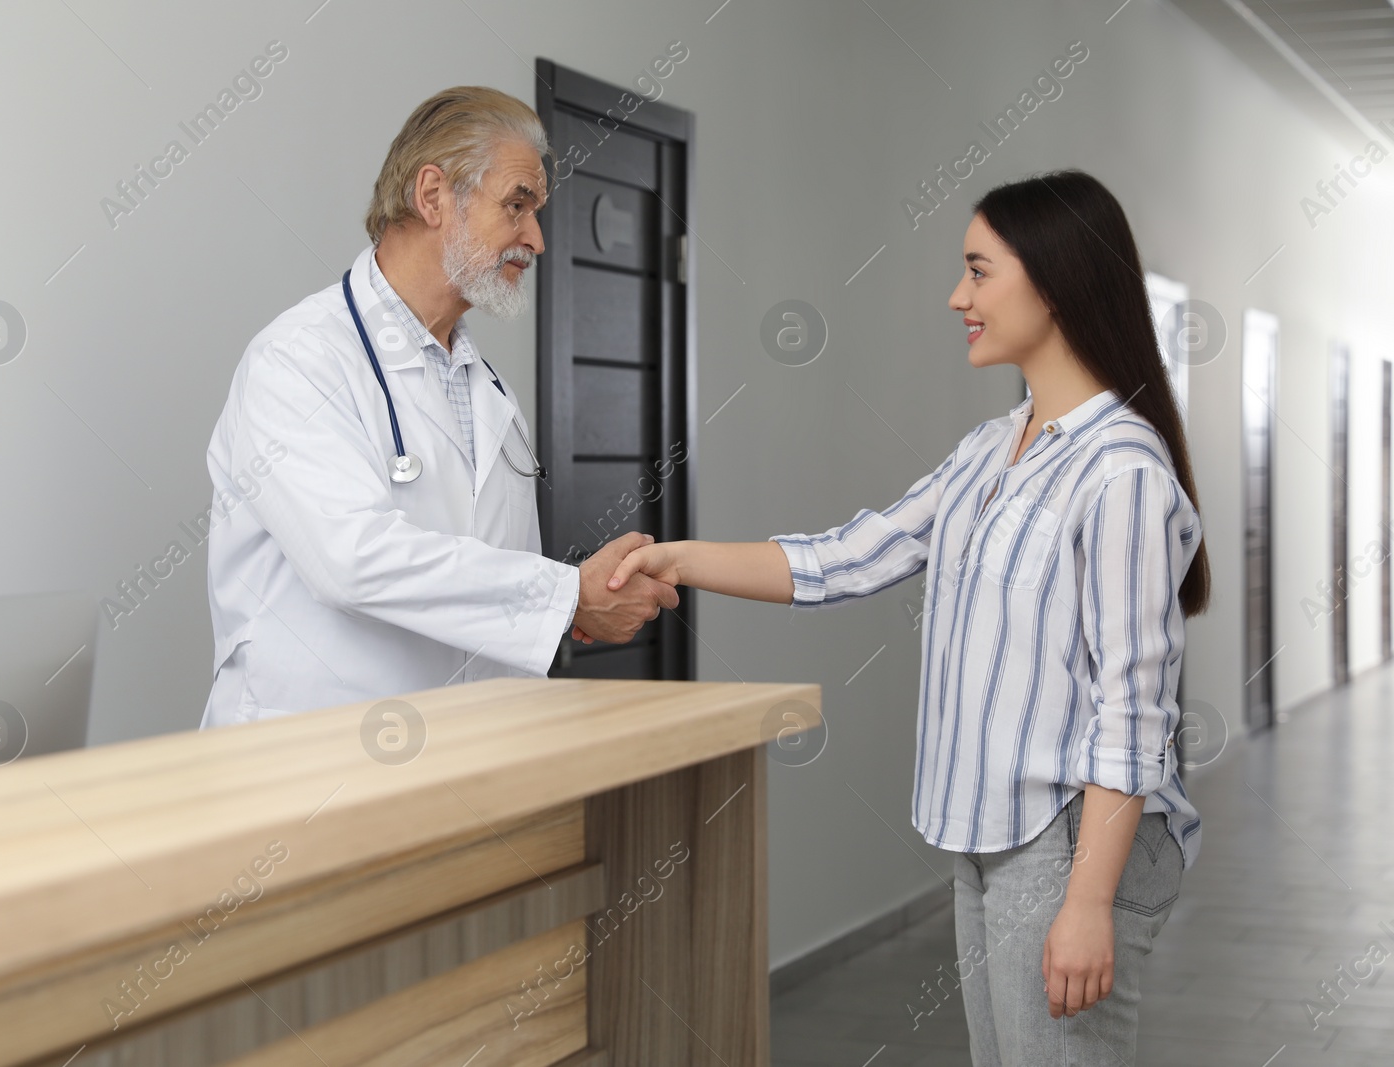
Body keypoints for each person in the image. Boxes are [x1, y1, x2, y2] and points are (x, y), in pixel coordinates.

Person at [608, 170, 1210, 1065]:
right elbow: (850, 555)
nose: (957, 296)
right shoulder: (991, 449)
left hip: (1068, 844)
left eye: (978, 271)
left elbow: (1133, 713)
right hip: (988, 835)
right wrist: (678, 559)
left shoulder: (1119, 472)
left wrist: (1088, 903)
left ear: (1053, 282)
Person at [200, 86, 676, 729]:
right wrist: (564, 599)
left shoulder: (486, 387)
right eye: (518, 205)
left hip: (468, 751)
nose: (536, 239)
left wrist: (569, 604)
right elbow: (351, 560)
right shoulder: (298, 359)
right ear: (432, 196)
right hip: (314, 754)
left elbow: (479, 568)